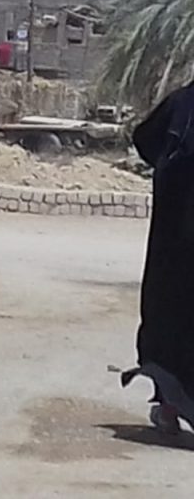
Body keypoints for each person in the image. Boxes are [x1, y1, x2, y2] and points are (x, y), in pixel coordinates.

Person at [120, 81, 194, 435]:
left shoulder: (183, 102)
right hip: (175, 238)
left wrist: (170, 167)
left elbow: (145, 138)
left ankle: (168, 407)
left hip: (173, 238)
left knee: (170, 316)